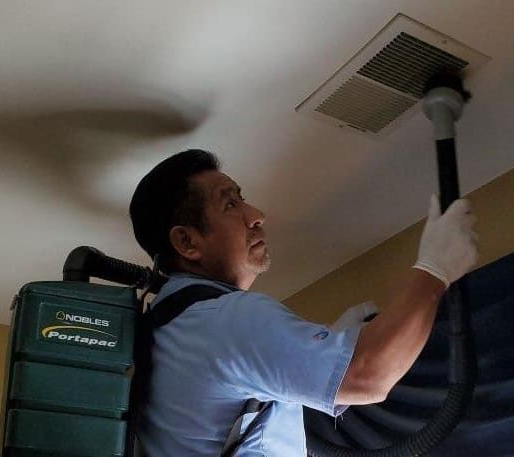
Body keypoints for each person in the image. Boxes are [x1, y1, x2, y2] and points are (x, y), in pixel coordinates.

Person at [129, 149, 479, 456]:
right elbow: (368, 376)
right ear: (187, 242)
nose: (256, 214)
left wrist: (336, 342)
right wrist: (436, 270)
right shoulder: (225, 320)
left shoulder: (167, 328)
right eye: (231, 204)